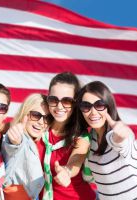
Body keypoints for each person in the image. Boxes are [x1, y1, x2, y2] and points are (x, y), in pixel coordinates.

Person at [75, 80, 137, 199]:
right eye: (86, 106)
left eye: (99, 105)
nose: (93, 112)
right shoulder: (89, 140)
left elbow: (120, 139)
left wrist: (121, 134)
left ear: (108, 105)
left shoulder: (116, 134)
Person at [37, 72, 96, 200]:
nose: (59, 106)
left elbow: (76, 160)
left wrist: (67, 171)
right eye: (53, 100)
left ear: (76, 103)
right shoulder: (39, 127)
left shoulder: (81, 137)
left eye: (67, 101)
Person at [1, 93, 50, 200]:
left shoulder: (42, 142)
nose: (41, 122)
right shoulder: (20, 137)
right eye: (36, 115)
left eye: (47, 118)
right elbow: (14, 146)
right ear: (25, 114)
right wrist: (15, 140)